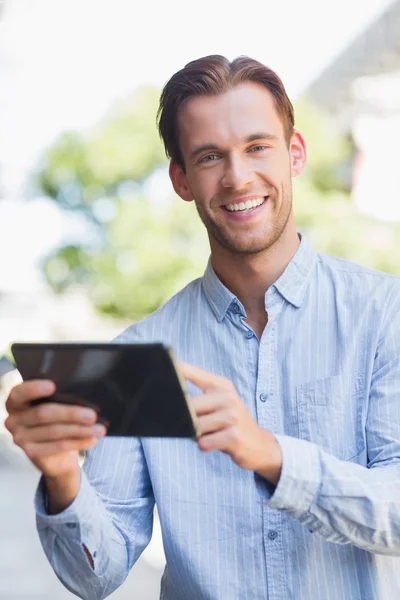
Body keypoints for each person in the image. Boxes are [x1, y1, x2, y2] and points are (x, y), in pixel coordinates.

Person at [4, 54, 400, 600]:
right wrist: (61, 475)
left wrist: (271, 456)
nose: (238, 177)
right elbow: (94, 577)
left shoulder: (385, 315)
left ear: (295, 154)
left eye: (257, 147)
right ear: (181, 179)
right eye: (211, 156)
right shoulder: (141, 353)